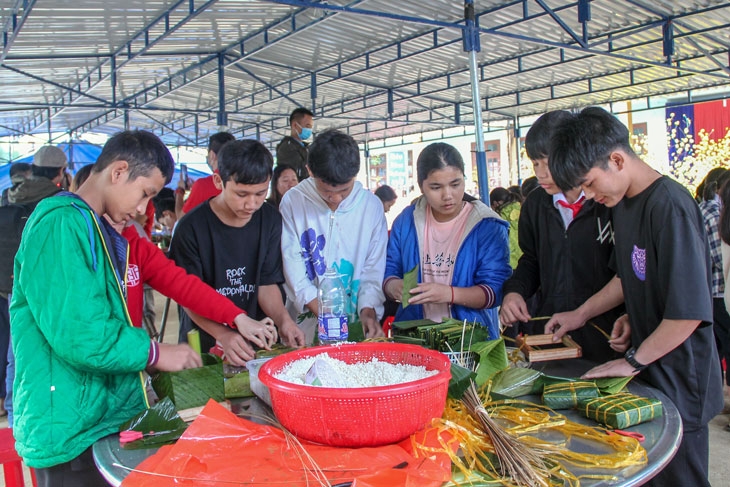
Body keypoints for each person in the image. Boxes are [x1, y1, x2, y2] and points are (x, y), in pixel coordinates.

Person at [11, 130, 203, 485]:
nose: (145, 209)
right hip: (70, 428)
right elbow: (83, 333)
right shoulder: (60, 223)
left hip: (94, 415)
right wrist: (154, 352)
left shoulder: (91, 225)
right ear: (118, 172)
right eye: (145, 193)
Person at [544, 107, 723, 487]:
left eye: (590, 184)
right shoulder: (622, 203)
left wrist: (631, 361)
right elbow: (631, 276)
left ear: (617, 159)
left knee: (681, 477)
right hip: (652, 370)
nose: (589, 196)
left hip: (680, 377)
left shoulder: (669, 207)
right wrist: (581, 314)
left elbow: (687, 314)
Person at [498, 110, 621, 364]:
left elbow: (625, 275)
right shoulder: (535, 205)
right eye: (535, 163)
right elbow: (531, 260)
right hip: (550, 335)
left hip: (607, 337)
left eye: (549, 162)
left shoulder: (609, 203)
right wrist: (514, 292)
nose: (541, 173)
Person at [170, 139, 305, 359]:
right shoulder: (190, 229)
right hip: (205, 344)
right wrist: (223, 334)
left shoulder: (270, 220)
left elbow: (266, 283)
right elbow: (188, 297)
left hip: (256, 340)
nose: (251, 204)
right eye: (241, 194)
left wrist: (284, 321)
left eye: (260, 193)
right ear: (218, 181)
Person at [383, 143, 511, 340]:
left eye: (455, 184)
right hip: (414, 339)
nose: (447, 195)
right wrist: (394, 287)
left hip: (471, 342)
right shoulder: (407, 221)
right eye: (436, 187)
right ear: (421, 186)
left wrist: (449, 294)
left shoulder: (486, 226)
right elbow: (389, 270)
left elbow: (494, 291)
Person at [280, 129, 387, 343]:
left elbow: (373, 271)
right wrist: (326, 315)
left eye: (345, 191)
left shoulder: (371, 207)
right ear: (310, 171)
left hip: (356, 328)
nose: (336, 199)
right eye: (327, 191)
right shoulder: (293, 202)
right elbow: (292, 268)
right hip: (304, 330)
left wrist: (368, 311)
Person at [1, 146, 67, 424]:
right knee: (39, 350)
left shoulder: (10, 195)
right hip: (43, 285)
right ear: (61, 173)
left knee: (15, 348)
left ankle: (14, 410)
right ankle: (35, 414)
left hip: (9, 284)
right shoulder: (57, 200)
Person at [176, 131, 235, 217]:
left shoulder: (203, 185)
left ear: (212, 155)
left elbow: (181, 218)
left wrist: (180, 191)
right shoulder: (243, 180)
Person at [276, 107, 313, 180]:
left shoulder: (306, 148)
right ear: (295, 125)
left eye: (311, 127)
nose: (309, 130)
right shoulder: (287, 148)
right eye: (307, 126)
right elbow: (298, 173)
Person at [489, 186, 522, 268]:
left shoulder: (499, 220)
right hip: (529, 262)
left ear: (496, 204)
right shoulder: (523, 210)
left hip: (511, 266)